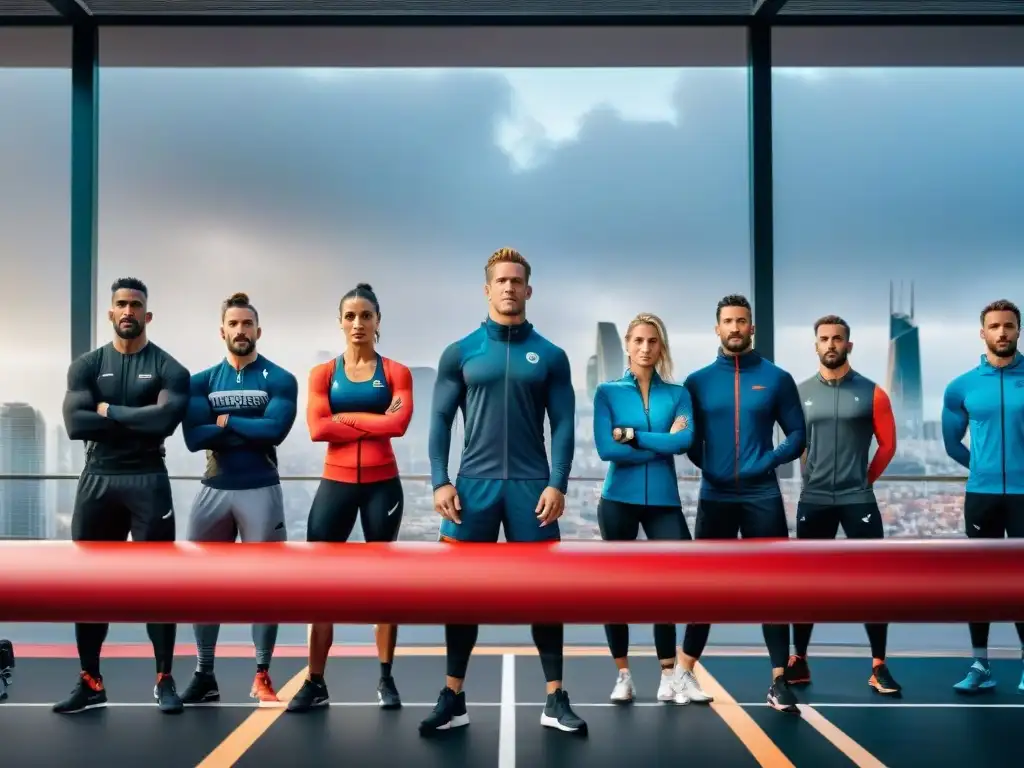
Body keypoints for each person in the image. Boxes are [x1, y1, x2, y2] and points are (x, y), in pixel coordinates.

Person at [420, 247, 586, 736]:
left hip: (534, 489)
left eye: (518, 281)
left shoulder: (551, 356)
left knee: (546, 596)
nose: (510, 288)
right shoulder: (461, 351)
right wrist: (439, 480)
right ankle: (454, 697)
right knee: (460, 596)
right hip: (471, 487)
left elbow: (563, 426)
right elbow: (440, 421)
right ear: (487, 289)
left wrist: (558, 483)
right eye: (501, 281)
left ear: (529, 290)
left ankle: (555, 698)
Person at [57, 277, 190, 715]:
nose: (128, 311)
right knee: (89, 586)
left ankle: (164, 679)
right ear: (111, 313)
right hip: (98, 478)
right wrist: (140, 417)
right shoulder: (88, 366)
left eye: (136, 305)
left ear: (147, 315)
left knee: (159, 586)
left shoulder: (171, 369)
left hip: (148, 479)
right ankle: (91, 681)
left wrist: (109, 411)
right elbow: (77, 425)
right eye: (121, 305)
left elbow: (165, 422)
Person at [288, 283, 414, 713]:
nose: (358, 323)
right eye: (350, 316)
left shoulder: (397, 372)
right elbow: (318, 429)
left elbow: (398, 426)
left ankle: (385, 678)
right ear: (340, 321)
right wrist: (373, 419)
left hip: (383, 485)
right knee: (321, 587)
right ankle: (316, 680)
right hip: (335, 485)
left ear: (378, 321)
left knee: (384, 587)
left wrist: (345, 417)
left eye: (366, 316)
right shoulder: (322, 373)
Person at [678, 294, 806, 714]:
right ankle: (683, 672)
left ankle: (777, 681)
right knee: (703, 587)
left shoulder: (776, 378)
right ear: (717, 328)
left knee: (775, 587)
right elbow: (688, 440)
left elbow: (796, 435)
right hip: (714, 494)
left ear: (752, 328)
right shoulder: (697, 382)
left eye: (742, 321)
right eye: (728, 321)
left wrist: (766, 461)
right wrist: (710, 465)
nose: (735, 327)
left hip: (762, 494)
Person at [178, 292, 298, 706]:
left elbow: (275, 432)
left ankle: (262, 673)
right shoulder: (201, 381)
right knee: (201, 586)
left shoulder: (280, 379)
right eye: (234, 324)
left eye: (248, 325)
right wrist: (250, 424)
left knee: (266, 588)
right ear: (223, 331)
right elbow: (195, 439)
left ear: (258, 331)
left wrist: (223, 421)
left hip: (260, 488)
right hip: (214, 488)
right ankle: (204, 674)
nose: (241, 331)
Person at [784, 315, 901, 696]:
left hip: (858, 499)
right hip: (814, 499)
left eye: (837, 339)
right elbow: (797, 444)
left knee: (876, 583)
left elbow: (887, 445)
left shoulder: (872, 393)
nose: (831, 344)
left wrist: (864, 480)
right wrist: (811, 473)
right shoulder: (799, 393)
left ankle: (879, 665)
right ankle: (798, 659)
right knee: (804, 584)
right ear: (815, 345)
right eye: (824, 339)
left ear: (849, 345)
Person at [592, 313, 695, 704]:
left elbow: (683, 442)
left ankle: (668, 673)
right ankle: (623, 674)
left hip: (664, 501)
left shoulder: (678, 393)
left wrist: (633, 436)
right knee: (615, 590)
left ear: (661, 346)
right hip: (618, 499)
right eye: (638, 341)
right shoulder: (608, 392)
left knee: (669, 588)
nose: (646, 348)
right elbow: (606, 449)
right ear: (627, 345)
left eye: (653, 341)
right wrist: (658, 442)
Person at [942, 299, 1024, 695]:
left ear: (1018, 330)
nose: (1002, 333)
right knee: (980, 582)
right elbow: (951, 443)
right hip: (982, 496)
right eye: (995, 326)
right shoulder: (962, 386)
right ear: (983, 332)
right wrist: (982, 469)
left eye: (1009, 326)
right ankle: (980, 663)